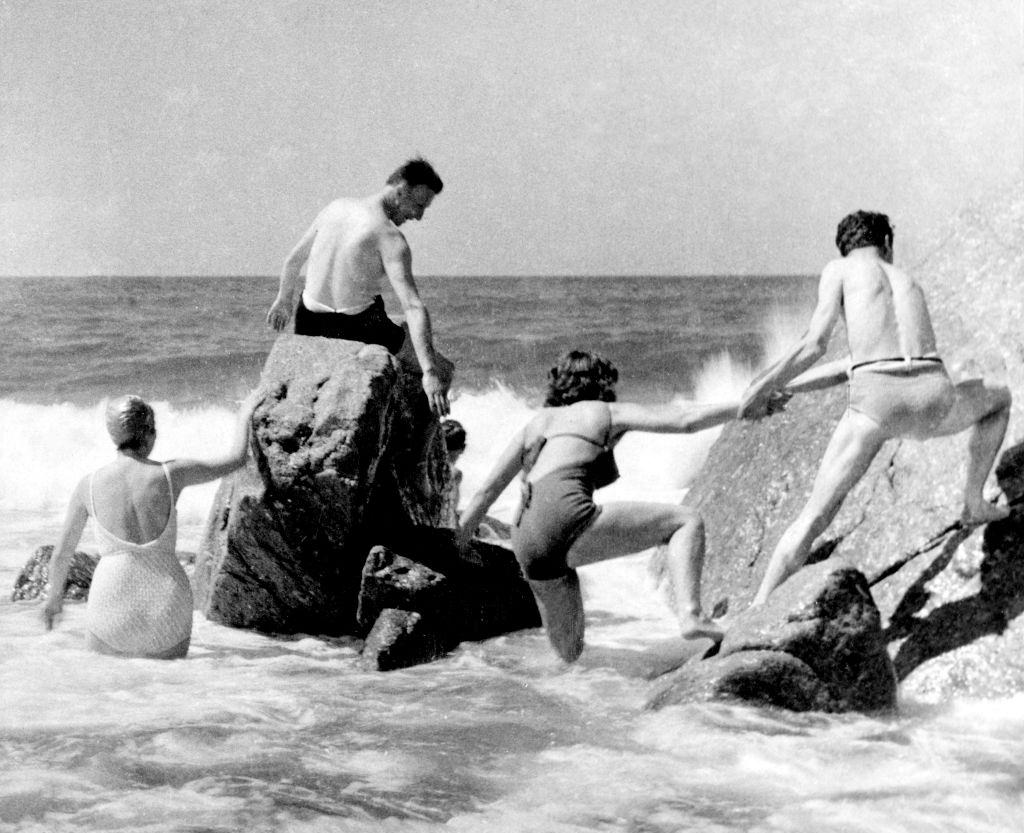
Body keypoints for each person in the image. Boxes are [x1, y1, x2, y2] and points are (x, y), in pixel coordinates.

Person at [738, 210, 1012, 605]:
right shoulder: (907, 280)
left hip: (876, 406)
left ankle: (758, 609)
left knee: (814, 517)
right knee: (999, 397)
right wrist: (792, 388)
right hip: (934, 397)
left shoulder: (840, 269)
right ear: (886, 243)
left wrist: (764, 385)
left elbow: (816, 344)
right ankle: (973, 499)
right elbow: (855, 365)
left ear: (847, 247)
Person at [457, 351, 756, 663]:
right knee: (686, 521)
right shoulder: (603, 410)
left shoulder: (537, 423)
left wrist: (456, 546)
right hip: (566, 517)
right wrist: (745, 404)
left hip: (526, 540)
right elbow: (685, 421)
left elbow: (486, 493)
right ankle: (692, 617)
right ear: (602, 383)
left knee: (570, 657)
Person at [42, 391, 263, 658]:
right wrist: (246, 411)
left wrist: (54, 600)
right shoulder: (173, 474)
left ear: (115, 436)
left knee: (112, 692)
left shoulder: (87, 486)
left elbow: (61, 555)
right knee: (168, 690)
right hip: (167, 610)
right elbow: (236, 459)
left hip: (110, 608)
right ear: (148, 434)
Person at [265, 157, 452, 417]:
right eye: (419, 205)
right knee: (443, 369)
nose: (419, 216)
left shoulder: (336, 207)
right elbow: (413, 305)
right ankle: (419, 450)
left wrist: (283, 301)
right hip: (357, 327)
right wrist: (430, 373)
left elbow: (293, 261)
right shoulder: (390, 237)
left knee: (400, 323)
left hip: (308, 320)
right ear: (400, 191)